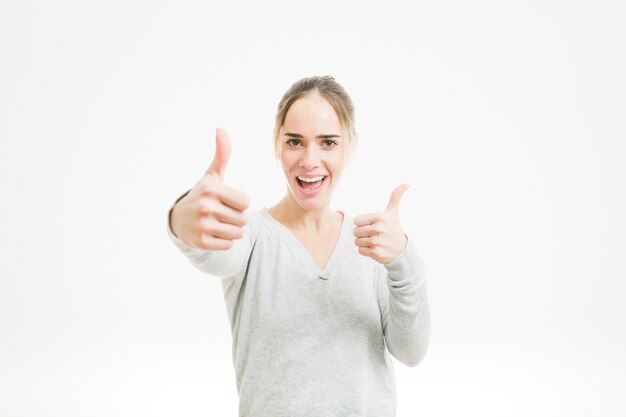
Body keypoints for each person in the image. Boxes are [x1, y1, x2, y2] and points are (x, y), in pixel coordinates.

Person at [167, 75, 431, 417]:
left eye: (328, 143)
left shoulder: (374, 243)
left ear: (351, 145)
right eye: (295, 142)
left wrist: (401, 260)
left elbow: (411, 351)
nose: (309, 160)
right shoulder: (251, 236)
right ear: (277, 144)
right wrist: (181, 218)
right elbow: (213, 249)